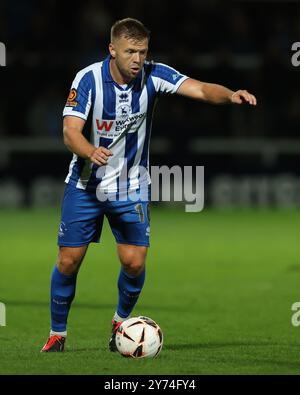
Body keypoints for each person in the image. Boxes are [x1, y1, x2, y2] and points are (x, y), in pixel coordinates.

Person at [41, 17, 257, 352]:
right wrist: (89, 150)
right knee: (69, 260)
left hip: (132, 186)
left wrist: (230, 95)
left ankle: (120, 325)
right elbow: (70, 131)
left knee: (134, 262)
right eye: (130, 51)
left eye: (142, 51)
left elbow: (199, 88)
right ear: (112, 50)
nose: (137, 59)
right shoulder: (88, 79)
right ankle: (58, 334)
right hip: (86, 184)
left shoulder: (154, 74)